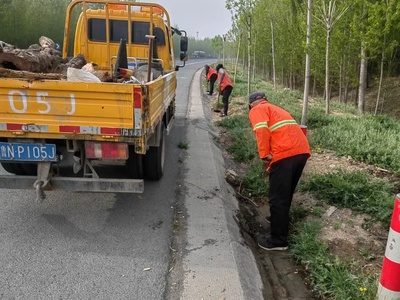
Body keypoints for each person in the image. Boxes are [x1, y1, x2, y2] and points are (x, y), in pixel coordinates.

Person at [248, 92, 311, 251]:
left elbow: (261, 130)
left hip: (284, 153)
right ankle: (279, 219)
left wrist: (264, 153)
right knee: (286, 192)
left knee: (277, 198)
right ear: (265, 100)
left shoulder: (256, 110)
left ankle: (278, 241)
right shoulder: (276, 109)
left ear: (251, 104)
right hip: (301, 151)